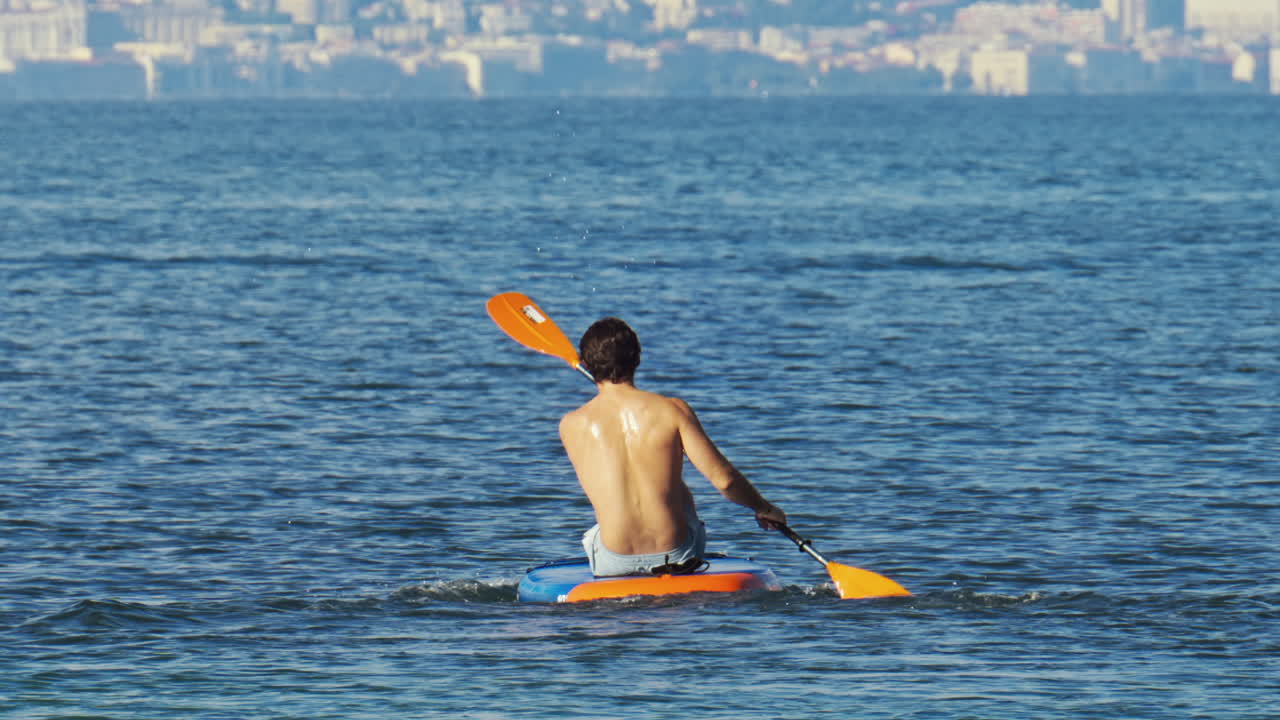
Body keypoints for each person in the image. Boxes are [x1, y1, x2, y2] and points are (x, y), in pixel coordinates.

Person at [558, 317, 787, 577]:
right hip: (677, 554)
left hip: (613, 560)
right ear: (637, 359)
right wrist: (763, 507)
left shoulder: (571, 424)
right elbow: (724, 481)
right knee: (675, 485)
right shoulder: (672, 410)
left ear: (586, 364)